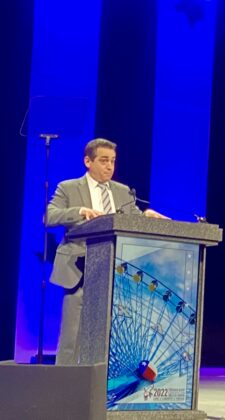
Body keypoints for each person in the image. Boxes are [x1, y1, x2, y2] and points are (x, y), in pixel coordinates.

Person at [47, 138, 168, 365]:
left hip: (115, 268)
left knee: (108, 332)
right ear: (88, 161)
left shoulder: (123, 191)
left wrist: (145, 217)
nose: (109, 166)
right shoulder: (69, 187)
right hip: (79, 267)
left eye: (112, 161)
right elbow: (50, 216)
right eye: (103, 161)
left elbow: (131, 219)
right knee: (73, 334)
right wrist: (80, 210)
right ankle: (63, 384)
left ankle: (100, 383)